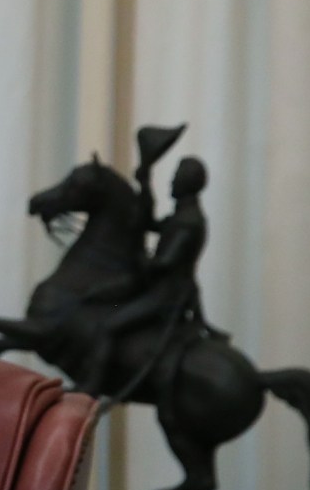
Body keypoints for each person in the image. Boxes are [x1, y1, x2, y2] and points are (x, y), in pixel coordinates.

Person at [76, 156, 226, 397]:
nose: (172, 183)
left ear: (187, 183)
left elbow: (164, 263)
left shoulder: (189, 221)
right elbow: (151, 224)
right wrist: (145, 180)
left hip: (164, 296)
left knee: (108, 327)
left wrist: (139, 258)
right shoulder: (182, 215)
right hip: (155, 288)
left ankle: (92, 386)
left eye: (176, 178)